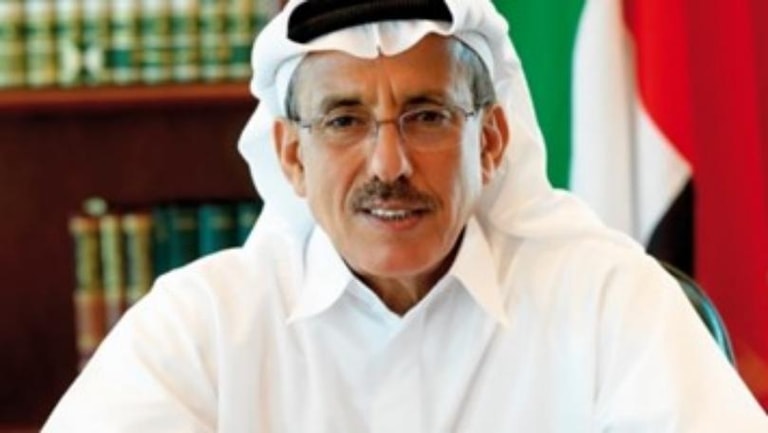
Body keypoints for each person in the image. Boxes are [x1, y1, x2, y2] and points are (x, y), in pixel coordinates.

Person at [43, 0, 768, 431]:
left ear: (490, 140)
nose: (388, 164)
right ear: (292, 155)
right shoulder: (201, 323)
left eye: (426, 116)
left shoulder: (609, 298)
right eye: (344, 120)